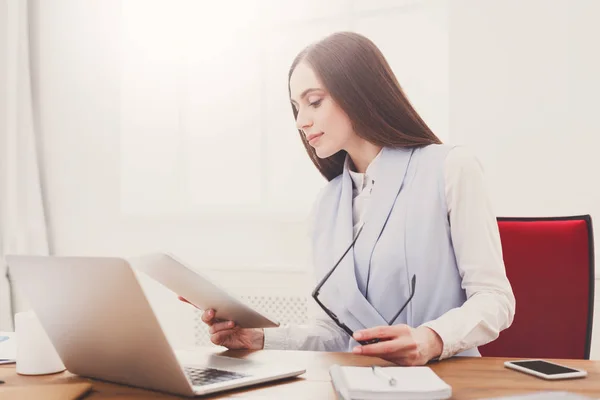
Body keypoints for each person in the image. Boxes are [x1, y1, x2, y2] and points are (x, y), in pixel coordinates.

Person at [179, 31, 515, 366]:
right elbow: (335, 335)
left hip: (447, 377)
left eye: (314, 101)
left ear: (358, 92)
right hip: (357, 381)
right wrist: (259, 338)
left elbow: (495, 299)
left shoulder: (451, 168)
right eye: (296, 107)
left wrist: (431, 339)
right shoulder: (326, 206)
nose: (301, 121)